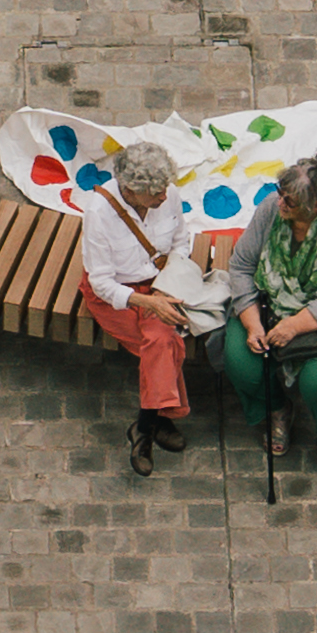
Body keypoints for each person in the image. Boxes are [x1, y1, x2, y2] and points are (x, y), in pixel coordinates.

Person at [210, 145, 317, 479]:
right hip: (271, 303)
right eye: (280, 194)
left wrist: (294, 326)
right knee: (239, 360)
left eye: (289, 201)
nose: (280, 204)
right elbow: (243, 265)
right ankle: (276, 408)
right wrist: (251, 324)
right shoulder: (271, 209)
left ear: (316, 206)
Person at [76, 133, 211, 471]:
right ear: (130, 190)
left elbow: (181, 242)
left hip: (158, 284)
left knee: (161, 341)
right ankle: (156, 423)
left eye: (165, 189)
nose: (165, 196)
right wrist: (148, 304)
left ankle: (144, 429)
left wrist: (165, 287)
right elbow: (101, 283)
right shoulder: (98, 214)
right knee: (164, 342)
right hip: (116, 297)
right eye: (156, 193)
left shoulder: (168, 193)